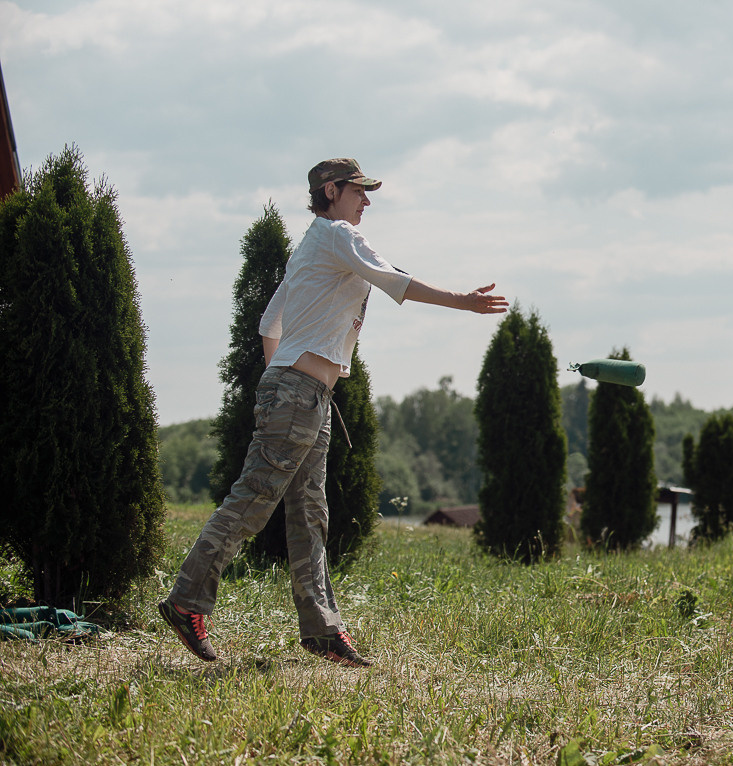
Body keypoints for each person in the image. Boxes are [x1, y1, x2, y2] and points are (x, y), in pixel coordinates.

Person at [159, 158, 507, 667]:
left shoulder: (309, 248)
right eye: (359, 190)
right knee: (254, 500)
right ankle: (187, 600)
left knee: (309, 516)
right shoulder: (337, 234)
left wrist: (282, 375)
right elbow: (395, 281)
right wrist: (464, 302)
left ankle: (322, 630)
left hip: (307, 396)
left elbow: (267, 322)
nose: (367, 200)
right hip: (299, 394)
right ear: (331, 190)